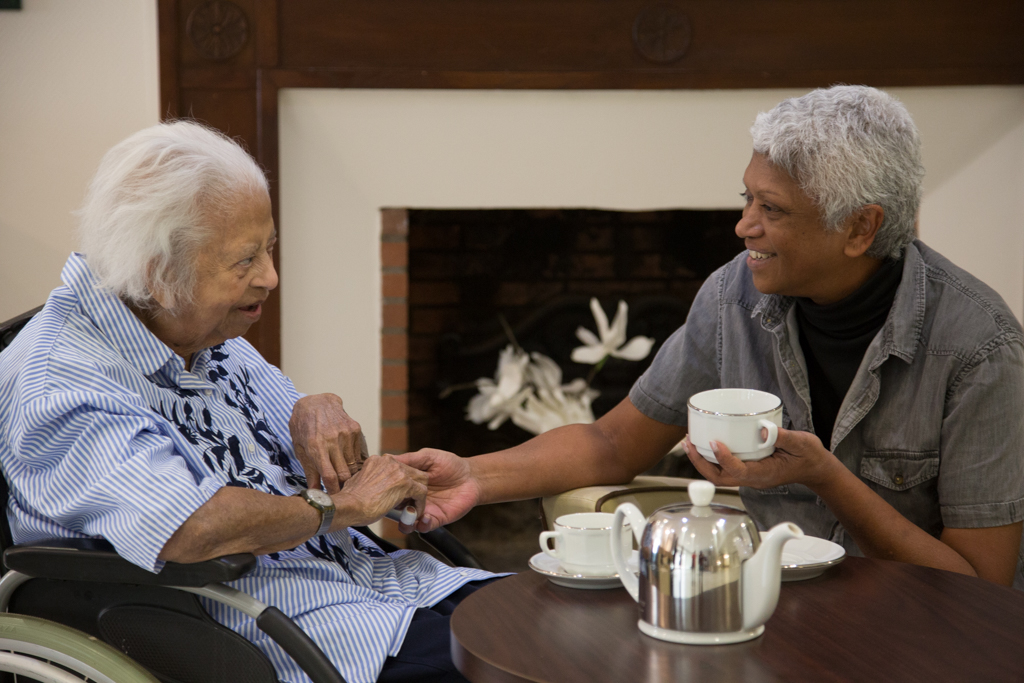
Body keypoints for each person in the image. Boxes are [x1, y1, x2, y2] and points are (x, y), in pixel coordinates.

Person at [391, 85, 1024, 588]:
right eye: (745, 198)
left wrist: (829, 478)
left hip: (920, 637)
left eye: (771, 209)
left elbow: (979, 589)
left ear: (861, 229)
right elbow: (613, 444)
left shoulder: (981, 351)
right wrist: (471, 475)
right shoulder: (735, 295)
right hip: (779, 613)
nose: (743, 225)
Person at [0, 121, 497, 683]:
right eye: (245, 261)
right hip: (275, 632)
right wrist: (345, 509)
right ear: (159, 273)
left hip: (380, 582)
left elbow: (286, 427)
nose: (271, 276)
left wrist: (314, 405)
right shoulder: (63, 385)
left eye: (269, 248)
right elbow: (188, 525)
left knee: (567, 625)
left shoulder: (187, 324)